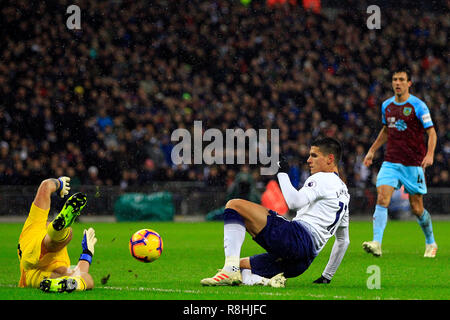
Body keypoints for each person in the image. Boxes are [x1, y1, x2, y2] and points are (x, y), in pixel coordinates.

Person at [201, 137, 350, 287]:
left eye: (314, 155)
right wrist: (326, 276)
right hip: (302, 263)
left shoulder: (323, 178)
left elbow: (294, 202)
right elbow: (343, 241)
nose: (308, 160)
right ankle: (265, 281)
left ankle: (229, 270)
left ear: (330, 159)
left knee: (234, 205)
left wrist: (282, 172)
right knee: (240, 265)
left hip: (295, 239)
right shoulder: (344, 194)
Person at [362, 67, 438, 258]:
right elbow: (386, 130)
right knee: (382, 198)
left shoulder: (418, 106)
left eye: (402, 79)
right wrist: (372, 151)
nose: (397, 83)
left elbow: (432, 132)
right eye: (395, 79)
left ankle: (431, 242)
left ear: (409, 83)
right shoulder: (386, 106)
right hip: (391, 162)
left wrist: (429, 155)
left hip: (413, 164)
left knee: (417, 208)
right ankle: (377, 242)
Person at [17, 176, 98, 292]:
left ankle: (67, 284)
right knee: (62, 237)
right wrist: (87, 255)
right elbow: (46, 186)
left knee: (86, 279)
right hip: (32, 260)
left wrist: (59, 183)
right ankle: (60, 228)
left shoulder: (35, 220)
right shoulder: (37, 223)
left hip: (36, 275)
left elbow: (45, 186)